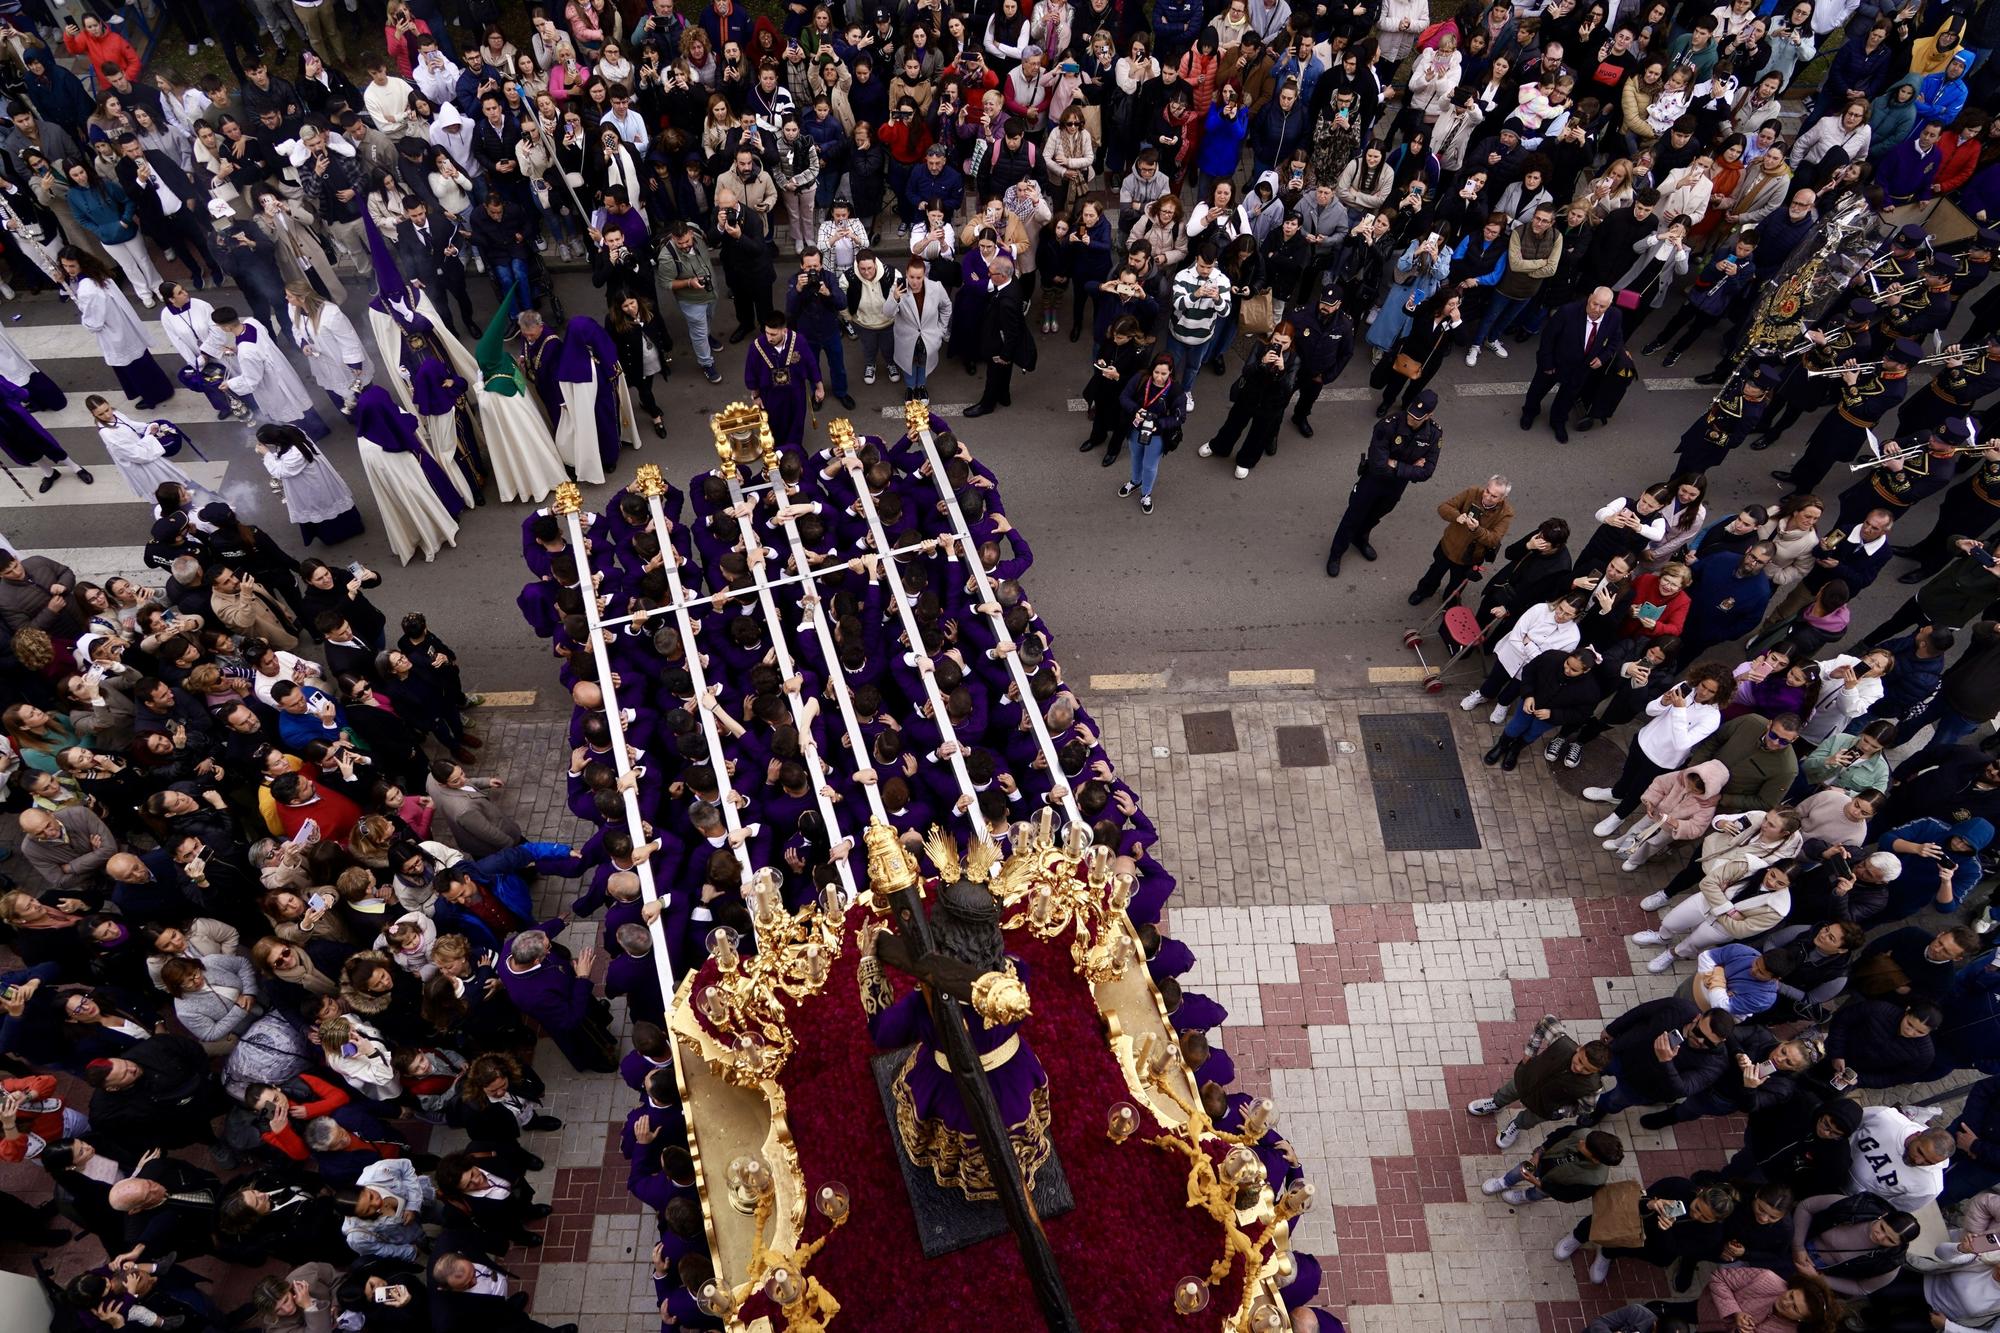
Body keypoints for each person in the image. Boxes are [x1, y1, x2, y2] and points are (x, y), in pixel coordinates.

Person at [1324, 391, 1442, 577]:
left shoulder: (1434, 434)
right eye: (1411, 413)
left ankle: (1360, 539)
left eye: (1418, 417)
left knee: (1375, 516)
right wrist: (1410, 467)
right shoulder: (1389, 424)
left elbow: (1427, 472)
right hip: (1373, 481)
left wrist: (1395, 464)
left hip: (1396, 487)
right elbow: (1378, 465)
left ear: (1430, 415)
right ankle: (1336, 554)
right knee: (1353, 517)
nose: (1411, 418)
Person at [350, 385, 464, 565]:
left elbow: (397, 420)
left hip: (406, 467)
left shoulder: (367, 432)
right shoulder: (376, 445)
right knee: (426, 492)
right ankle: (436, 526)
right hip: (408, 473)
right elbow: (403, 430)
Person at [59, 247, 176, 409]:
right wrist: (64, 282)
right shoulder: (97, 274)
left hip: (114, 333)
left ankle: (154, 396)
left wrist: (85, 322)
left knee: (135, 369)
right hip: (124, 325)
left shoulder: (87, 290)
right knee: (142, 363)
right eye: (65, 266)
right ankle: (160, 390)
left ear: (81, 263)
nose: (68, 270)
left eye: (72, 266)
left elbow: (94, 323)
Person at [1522, 286, 1624, 444]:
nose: (1596, 309)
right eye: (1594, 303)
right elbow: (1548, 338)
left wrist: (1603, 358)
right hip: (1555, 363)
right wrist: (1547, 363)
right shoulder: (1567, 312)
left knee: (1567, 397)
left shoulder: (1614, 316)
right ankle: (1529, 413)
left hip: (1582, 368)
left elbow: (1615, 341)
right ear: (1590, 297)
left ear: (1609, 305)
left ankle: (1557, 421)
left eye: (1602, 306)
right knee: (1537, 390)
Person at [1198, 324, 1297, 478]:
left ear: (1291, 342)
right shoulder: (1260, 346)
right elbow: (1247, 371)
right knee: (1233, 423)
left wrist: (1282, 370)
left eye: (1284, 343)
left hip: (1271, 403)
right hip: (1250, 394)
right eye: (1276, 340)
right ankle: (1219, 447)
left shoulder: (1294, 359)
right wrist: (1262, 363)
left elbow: (1288, 387)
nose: (1279, 345)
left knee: (1259, 434)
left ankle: (1246, 461)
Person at [1408, 474, 1514, 605]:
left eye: (1494, 496)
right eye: (1487, 491)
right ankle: (1423, 591)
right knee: (1434, 573)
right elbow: (1443, 508)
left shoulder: (1506, 513)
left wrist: (1477, 530)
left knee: (1457, 583)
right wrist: (1457, 516)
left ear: (1503, 498)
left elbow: (1493, 540)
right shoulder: (1472, 492)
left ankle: (1449, 602)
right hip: (1448, 547)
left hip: (1470, 558)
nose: (1487, 497)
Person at [254, 424, 364, 546]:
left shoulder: (295, 453)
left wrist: (267, 455)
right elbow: (284, 456)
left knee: (322, 506)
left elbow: (282, 471)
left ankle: (339, 534)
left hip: (311, 483)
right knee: (328, 502)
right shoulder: (289, 431)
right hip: (312, 476)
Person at [1114, 354, 1184, 517]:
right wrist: (1136, 410)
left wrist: (1158, 424)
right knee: (1135, 457)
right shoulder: (1141, 378)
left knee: (1150, 465)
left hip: (1157, 434)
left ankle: (1146, 494)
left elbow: (1180, 417)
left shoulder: (1175, 390)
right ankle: (1135, 481)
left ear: (1170, 373)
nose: (1159, 378)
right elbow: (1124, 397)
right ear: (1152, 369)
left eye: (1164, 374)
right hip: (1136, 427)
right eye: (1156, 372)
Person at [967, 255, 1034, 417]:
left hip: (999, 345)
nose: (988, 275)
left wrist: (1005, 355)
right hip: (1002, 340)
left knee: (994, 374)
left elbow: (1011, 333)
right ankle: (1004, 396)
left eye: (991, 273)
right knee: (1005, 372)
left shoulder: (1007, 303)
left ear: (1003, 276)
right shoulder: (1013, 283)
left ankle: (987, 404)